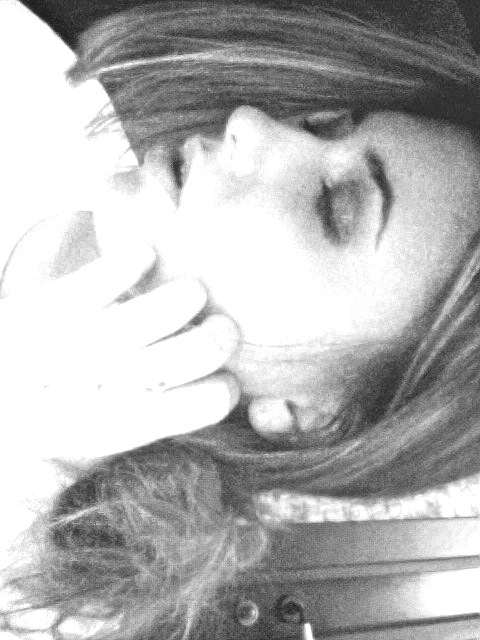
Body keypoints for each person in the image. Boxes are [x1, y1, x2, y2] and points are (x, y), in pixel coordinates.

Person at [2, 0, 480, 638]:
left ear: (312, 416)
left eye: (334, 207)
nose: (250, 122)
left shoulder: (39, 605)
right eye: (320, 122)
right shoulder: (33, 79)